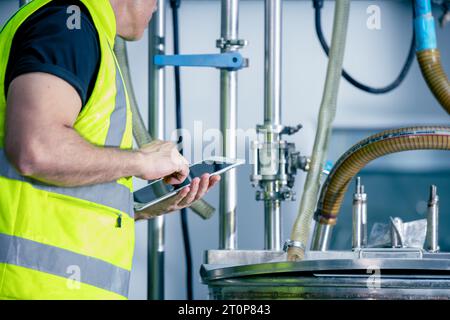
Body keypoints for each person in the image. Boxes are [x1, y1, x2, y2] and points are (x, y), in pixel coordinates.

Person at [0, 0, 219, 299]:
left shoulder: (84, 31)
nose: (158, 6)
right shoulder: (67, 24)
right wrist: (141, 161)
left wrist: (141, 208)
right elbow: (36, 148)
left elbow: (63, 194)